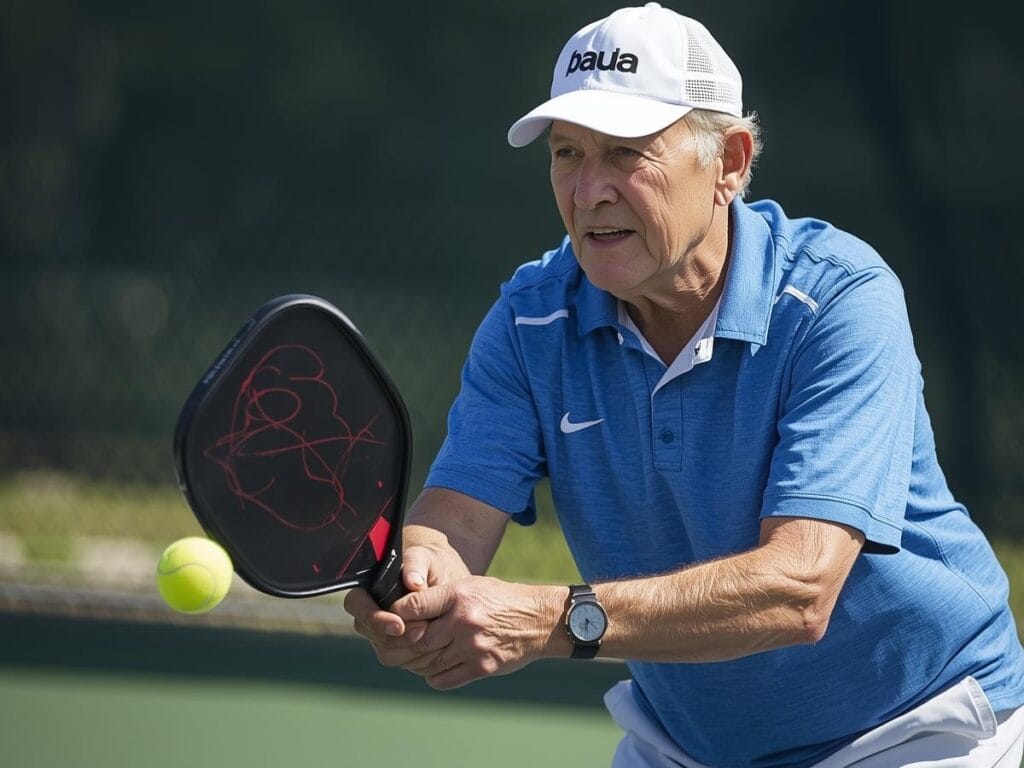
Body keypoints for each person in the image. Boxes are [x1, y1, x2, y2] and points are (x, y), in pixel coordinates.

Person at [344, 4, 1024, 766]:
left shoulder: (838, 298)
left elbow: (798, 589)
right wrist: (424, 574)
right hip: (690, 745)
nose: (589, 189)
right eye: (567, 153)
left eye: (627, 151)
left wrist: (547, 619)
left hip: (921, 727)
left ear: (729, 162)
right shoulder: (531, 318)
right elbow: (453, 525)